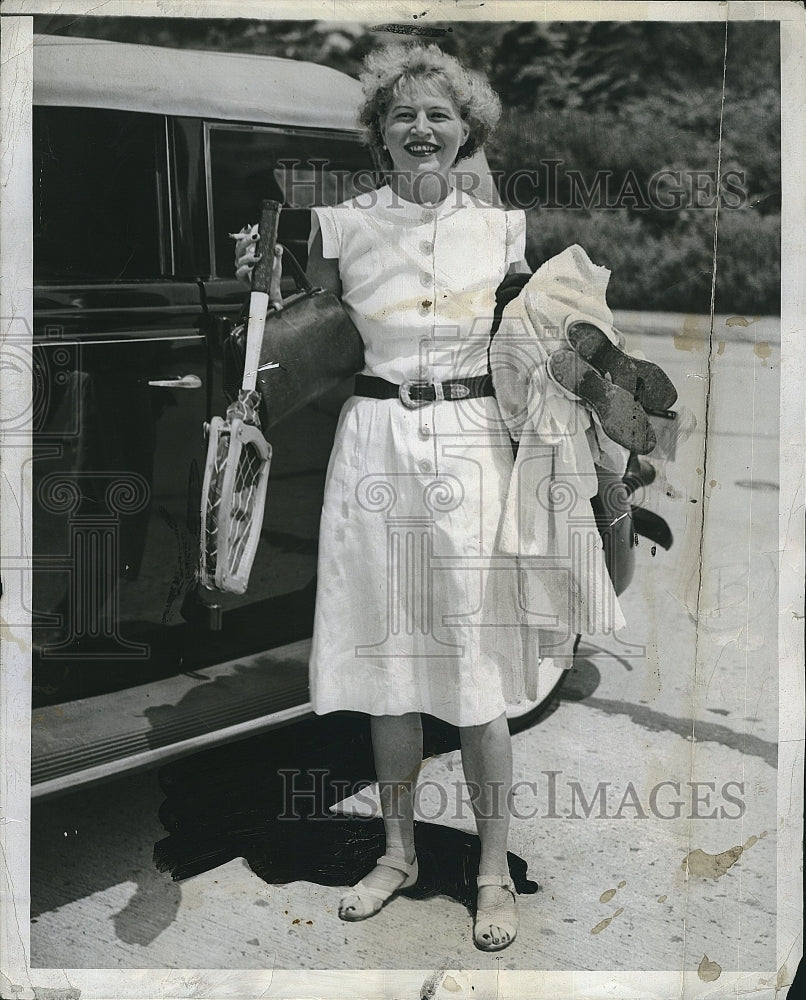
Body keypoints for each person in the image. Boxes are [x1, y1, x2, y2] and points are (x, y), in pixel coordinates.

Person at [235, 43, 586, 953]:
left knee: (476, 673)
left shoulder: (506, 230)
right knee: (390, 667)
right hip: (377, 445)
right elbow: (300, 343)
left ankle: (492, 868)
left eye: (438, 114)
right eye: (402, 116)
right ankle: (396, 854)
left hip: (471, 454)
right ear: (379, 137)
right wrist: (258, 287)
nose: (421, 129)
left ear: (467, 129)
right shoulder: (341, 227)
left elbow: (534, 355)